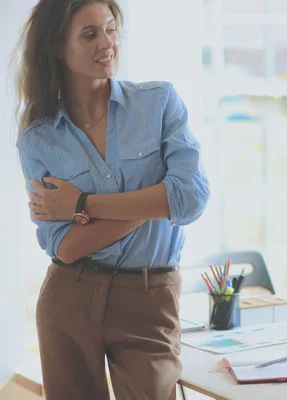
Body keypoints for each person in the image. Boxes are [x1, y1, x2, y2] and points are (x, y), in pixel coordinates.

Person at [13, 0, 210, 399]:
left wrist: (81, 204)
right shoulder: (37, 138)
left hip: (149, 296)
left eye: (110, 29)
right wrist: (152, 200)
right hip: (70, 297)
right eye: (89, 34)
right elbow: (65, 246)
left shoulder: (158, 103)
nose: (107, 43)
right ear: (57, 47)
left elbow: (189, 199)